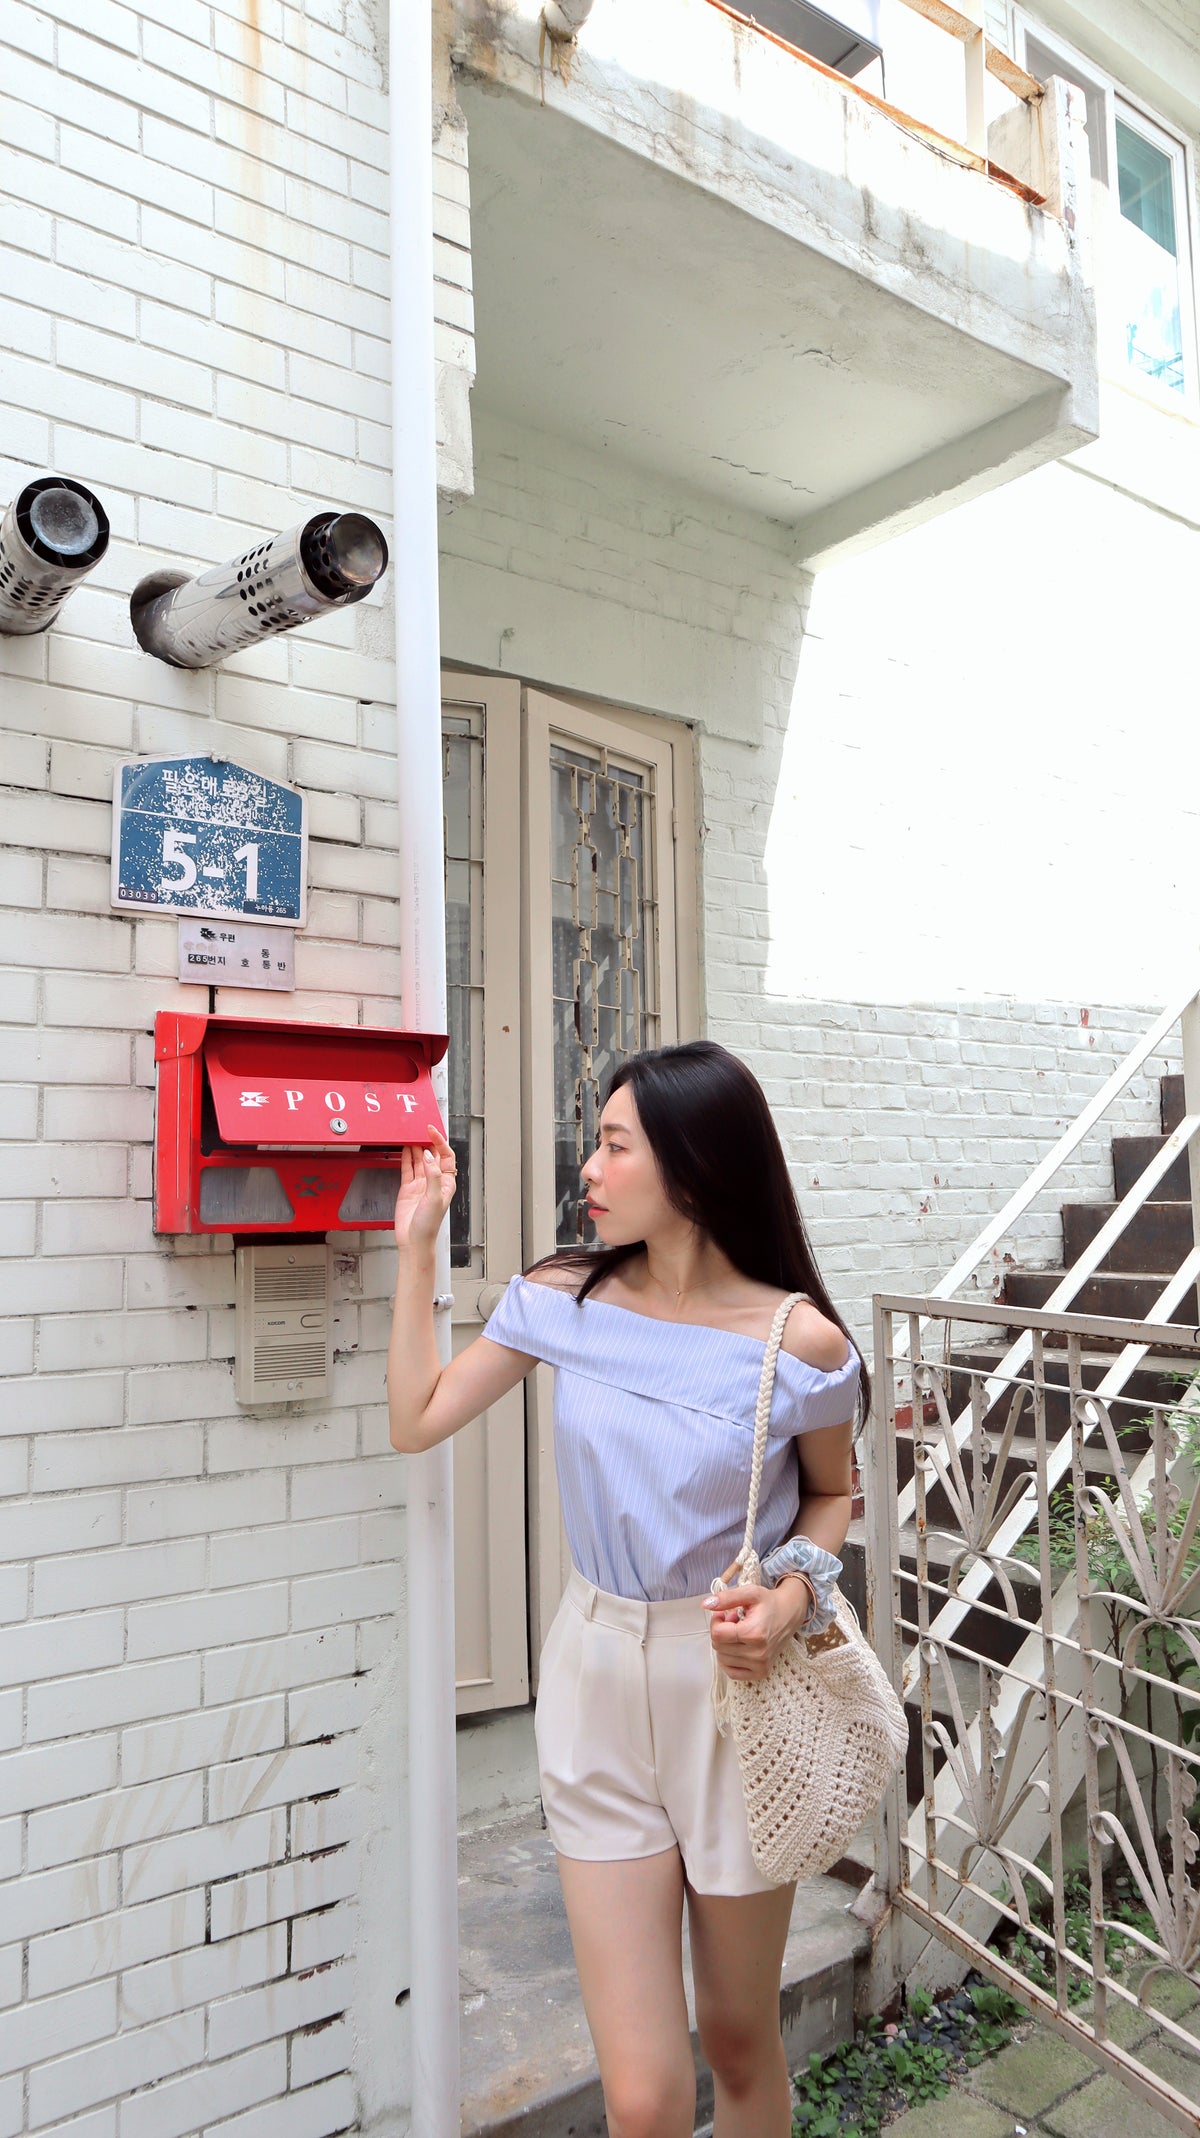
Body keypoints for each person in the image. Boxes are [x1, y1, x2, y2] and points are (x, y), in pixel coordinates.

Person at [388, 1039, 866, 2138]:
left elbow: (833, 1496)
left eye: (612, 1145)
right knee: (644, 2098)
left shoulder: (798, 1343)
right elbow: (416, 1415)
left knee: (741, 2041)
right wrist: (420, 1249)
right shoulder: (565, 1296)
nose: (588, 1170)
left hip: (735, 1696)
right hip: (595, 1672)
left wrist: (788, 1601)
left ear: (693, 1169)